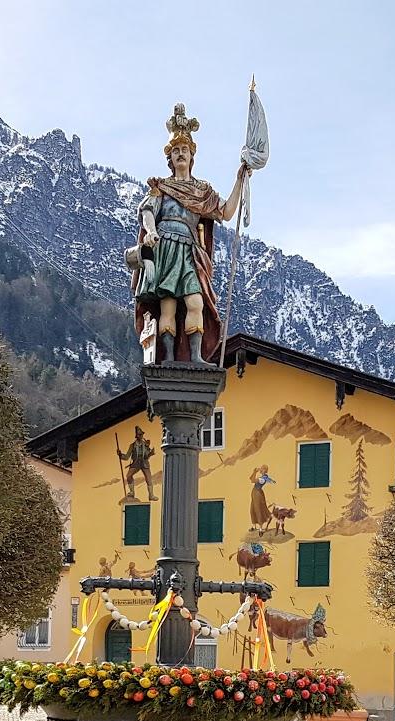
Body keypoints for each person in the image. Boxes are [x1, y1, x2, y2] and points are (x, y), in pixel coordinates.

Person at [128, 103, 249, 365]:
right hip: (166, 246)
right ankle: (169, 358)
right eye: (175, 151)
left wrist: (240, 179)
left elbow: (226, 212)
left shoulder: (202, 191)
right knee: (168, 306)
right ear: (169, 159)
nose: (180, 154)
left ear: (191, 156)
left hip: (189, 251)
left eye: (184, 150)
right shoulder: (161, 187)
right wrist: (150, 231)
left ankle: (195, 357)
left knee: (196, 302)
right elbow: (147, 211)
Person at [118, 426, 156, 501]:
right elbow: (126, 457)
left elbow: (147, 455)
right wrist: (120, 455)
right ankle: (132, 492)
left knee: (149, 478)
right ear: (136, 436)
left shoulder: (145, 444)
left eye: (141, 434)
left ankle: (151, 495)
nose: (141, 436)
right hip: (136, 463)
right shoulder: (132, 446)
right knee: (128, 476)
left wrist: (150, 452)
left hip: (144, 463)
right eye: (139, 435)